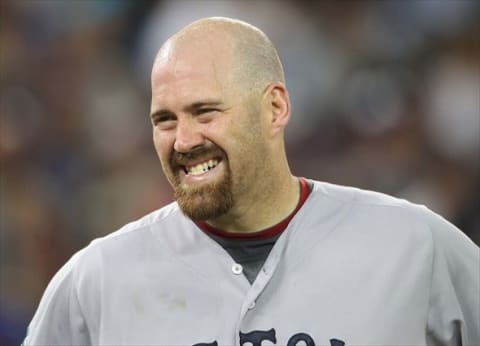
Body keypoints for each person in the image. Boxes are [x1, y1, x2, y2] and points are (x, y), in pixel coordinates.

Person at [23, 17, 479, 346]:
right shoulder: (98, 279)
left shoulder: (414, 245)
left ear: (275, 109)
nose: (183, 140)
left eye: (205, 112)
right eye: (164, 119)